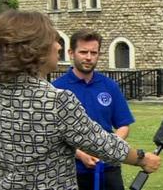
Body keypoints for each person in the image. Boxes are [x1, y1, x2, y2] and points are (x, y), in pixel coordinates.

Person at [0, 10, 160, 190]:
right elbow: (102, 144)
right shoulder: (55, 100)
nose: (58, 46)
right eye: (53, 41)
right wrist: (142, 158)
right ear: (33, 50)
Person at [52, 29, 134, 190]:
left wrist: (108, 149)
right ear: (71, 53)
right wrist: (81, 154)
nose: (89, 57)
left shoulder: (109, 86)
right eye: (83, 52)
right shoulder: (57, 89)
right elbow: (54, 134)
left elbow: (123, 125)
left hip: (109, 169)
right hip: (73, 171)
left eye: (93, 52)